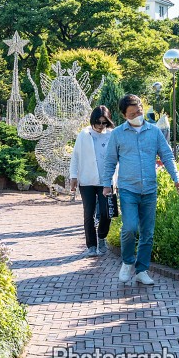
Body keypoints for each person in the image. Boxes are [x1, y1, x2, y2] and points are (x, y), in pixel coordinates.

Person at [101, 94, 179, 285]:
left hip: (149, 189)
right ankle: (128, 262)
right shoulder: (118, 134)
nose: (137, 114)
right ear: (124, 115)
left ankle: (142, 270)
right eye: (132, 113)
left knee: (148, 232)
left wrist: (176, 178)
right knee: (129, 228)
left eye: (139, 110)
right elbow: (110, 161)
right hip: (128, 188)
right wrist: (107, 183)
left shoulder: (154, 132)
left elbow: (167, 156)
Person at [69, 106, 117, 256]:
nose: (101, 126)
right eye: (98, 122)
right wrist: (73, 176)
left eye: (104, 123)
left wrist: (117, 180)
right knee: (88, 213)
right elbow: (75, 156)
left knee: (106, 212)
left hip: (106, 181)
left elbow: (118, 158)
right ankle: (91, 245)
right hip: (87, 179)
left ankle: (102, 236)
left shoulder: (112, 135)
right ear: (93, 120)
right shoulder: (84, 134)